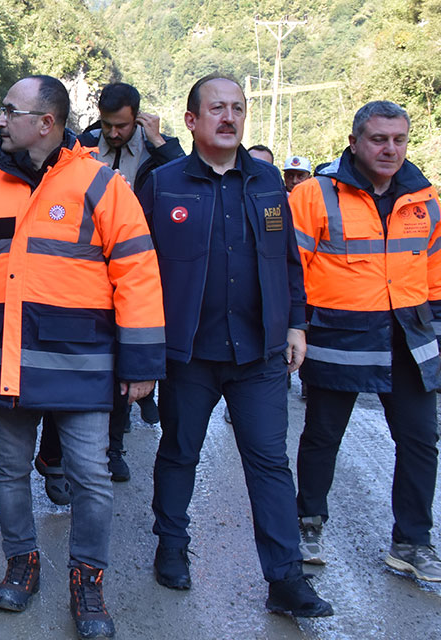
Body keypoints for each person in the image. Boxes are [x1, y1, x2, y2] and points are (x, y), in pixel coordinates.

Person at [0, 75, 163, 639]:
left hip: (82, 363)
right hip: (9, 357)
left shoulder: (100, 184)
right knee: (9, 471)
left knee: (90, 475)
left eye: (11, 111)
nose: (0, 121)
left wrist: (141, 364)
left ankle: (88, 578)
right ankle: (22, 562)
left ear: (47, 123)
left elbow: (137, 269)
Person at [138, 74, 332, 617]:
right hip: (189, 354)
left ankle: (286, 580)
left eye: (238, 108)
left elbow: (287, 260)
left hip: (260, 355)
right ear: (192, 121)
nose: (230, 117)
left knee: (270, 463)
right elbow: (136, 269)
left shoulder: (269, 181)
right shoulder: (162, 183)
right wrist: (143, 348)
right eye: (217, 108)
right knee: (179, 452)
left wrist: (296, 323)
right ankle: (172, 546)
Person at [290, 101, 441, 582]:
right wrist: (296, 328)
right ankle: (306, 524)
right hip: (340, 335)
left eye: (398, 140)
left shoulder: (426, 200)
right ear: (355, 141)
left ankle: (412, 543)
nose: (389, 149)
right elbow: (292, 271)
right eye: (379, 139)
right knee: (322, 436)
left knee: (420, 440)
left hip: (409, 338)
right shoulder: (315, 195)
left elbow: (436, 279)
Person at [37, 82, 181, 489]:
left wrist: (160, 143)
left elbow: (182, 182)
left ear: (137, 116)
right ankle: (54, 455)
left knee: (120, 367)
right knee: (68, 367)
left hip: (132, 266)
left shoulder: (159, 151)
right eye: (107, 125)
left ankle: (112, 448)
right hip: (81, 272)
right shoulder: (81, 144)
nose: (113, 133)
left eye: (121, 125)